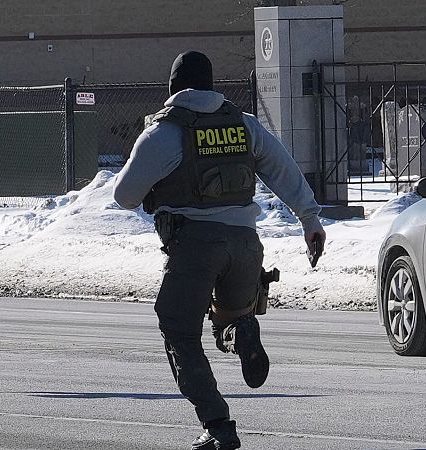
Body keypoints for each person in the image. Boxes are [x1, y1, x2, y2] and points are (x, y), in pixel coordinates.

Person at [113, 51, 326, 450]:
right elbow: (283, 170)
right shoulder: (244, 125)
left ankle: (218, 424)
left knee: (178, 327)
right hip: (247, 246)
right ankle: (241, 331)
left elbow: (124, 196)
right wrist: (310, 220)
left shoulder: (164, 133)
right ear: (211, 86)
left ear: (173, 88)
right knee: (226, 318)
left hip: (195, 246)